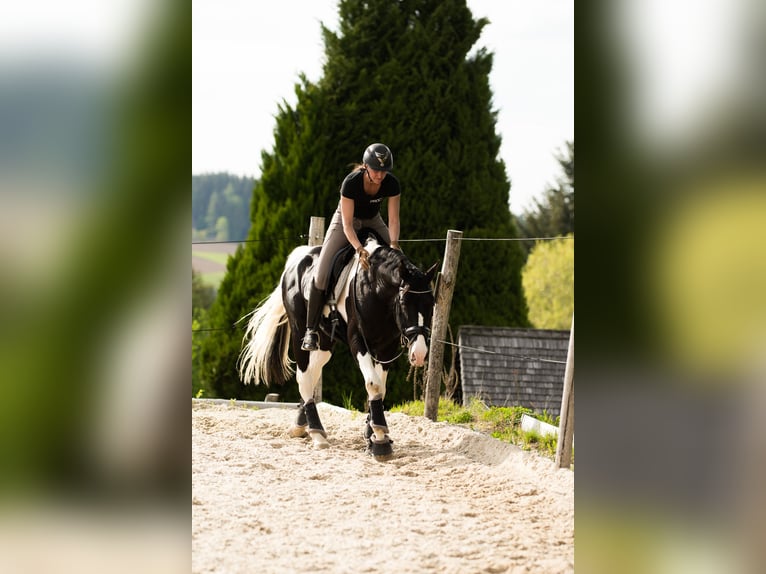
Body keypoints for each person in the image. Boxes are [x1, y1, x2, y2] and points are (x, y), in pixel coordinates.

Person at [301, 143, 401, 351]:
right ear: (365, 166)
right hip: (345, 222)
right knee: (321, 273)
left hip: (373, 220)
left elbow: (393, 220)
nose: (380, 175)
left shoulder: (392, 184)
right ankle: (310, 331)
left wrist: (394, 244)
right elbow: (347, 225)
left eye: (384, 171)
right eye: (376, 170)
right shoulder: (351, 183)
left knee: (400, 263)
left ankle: (401, 324)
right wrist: (358, 248)